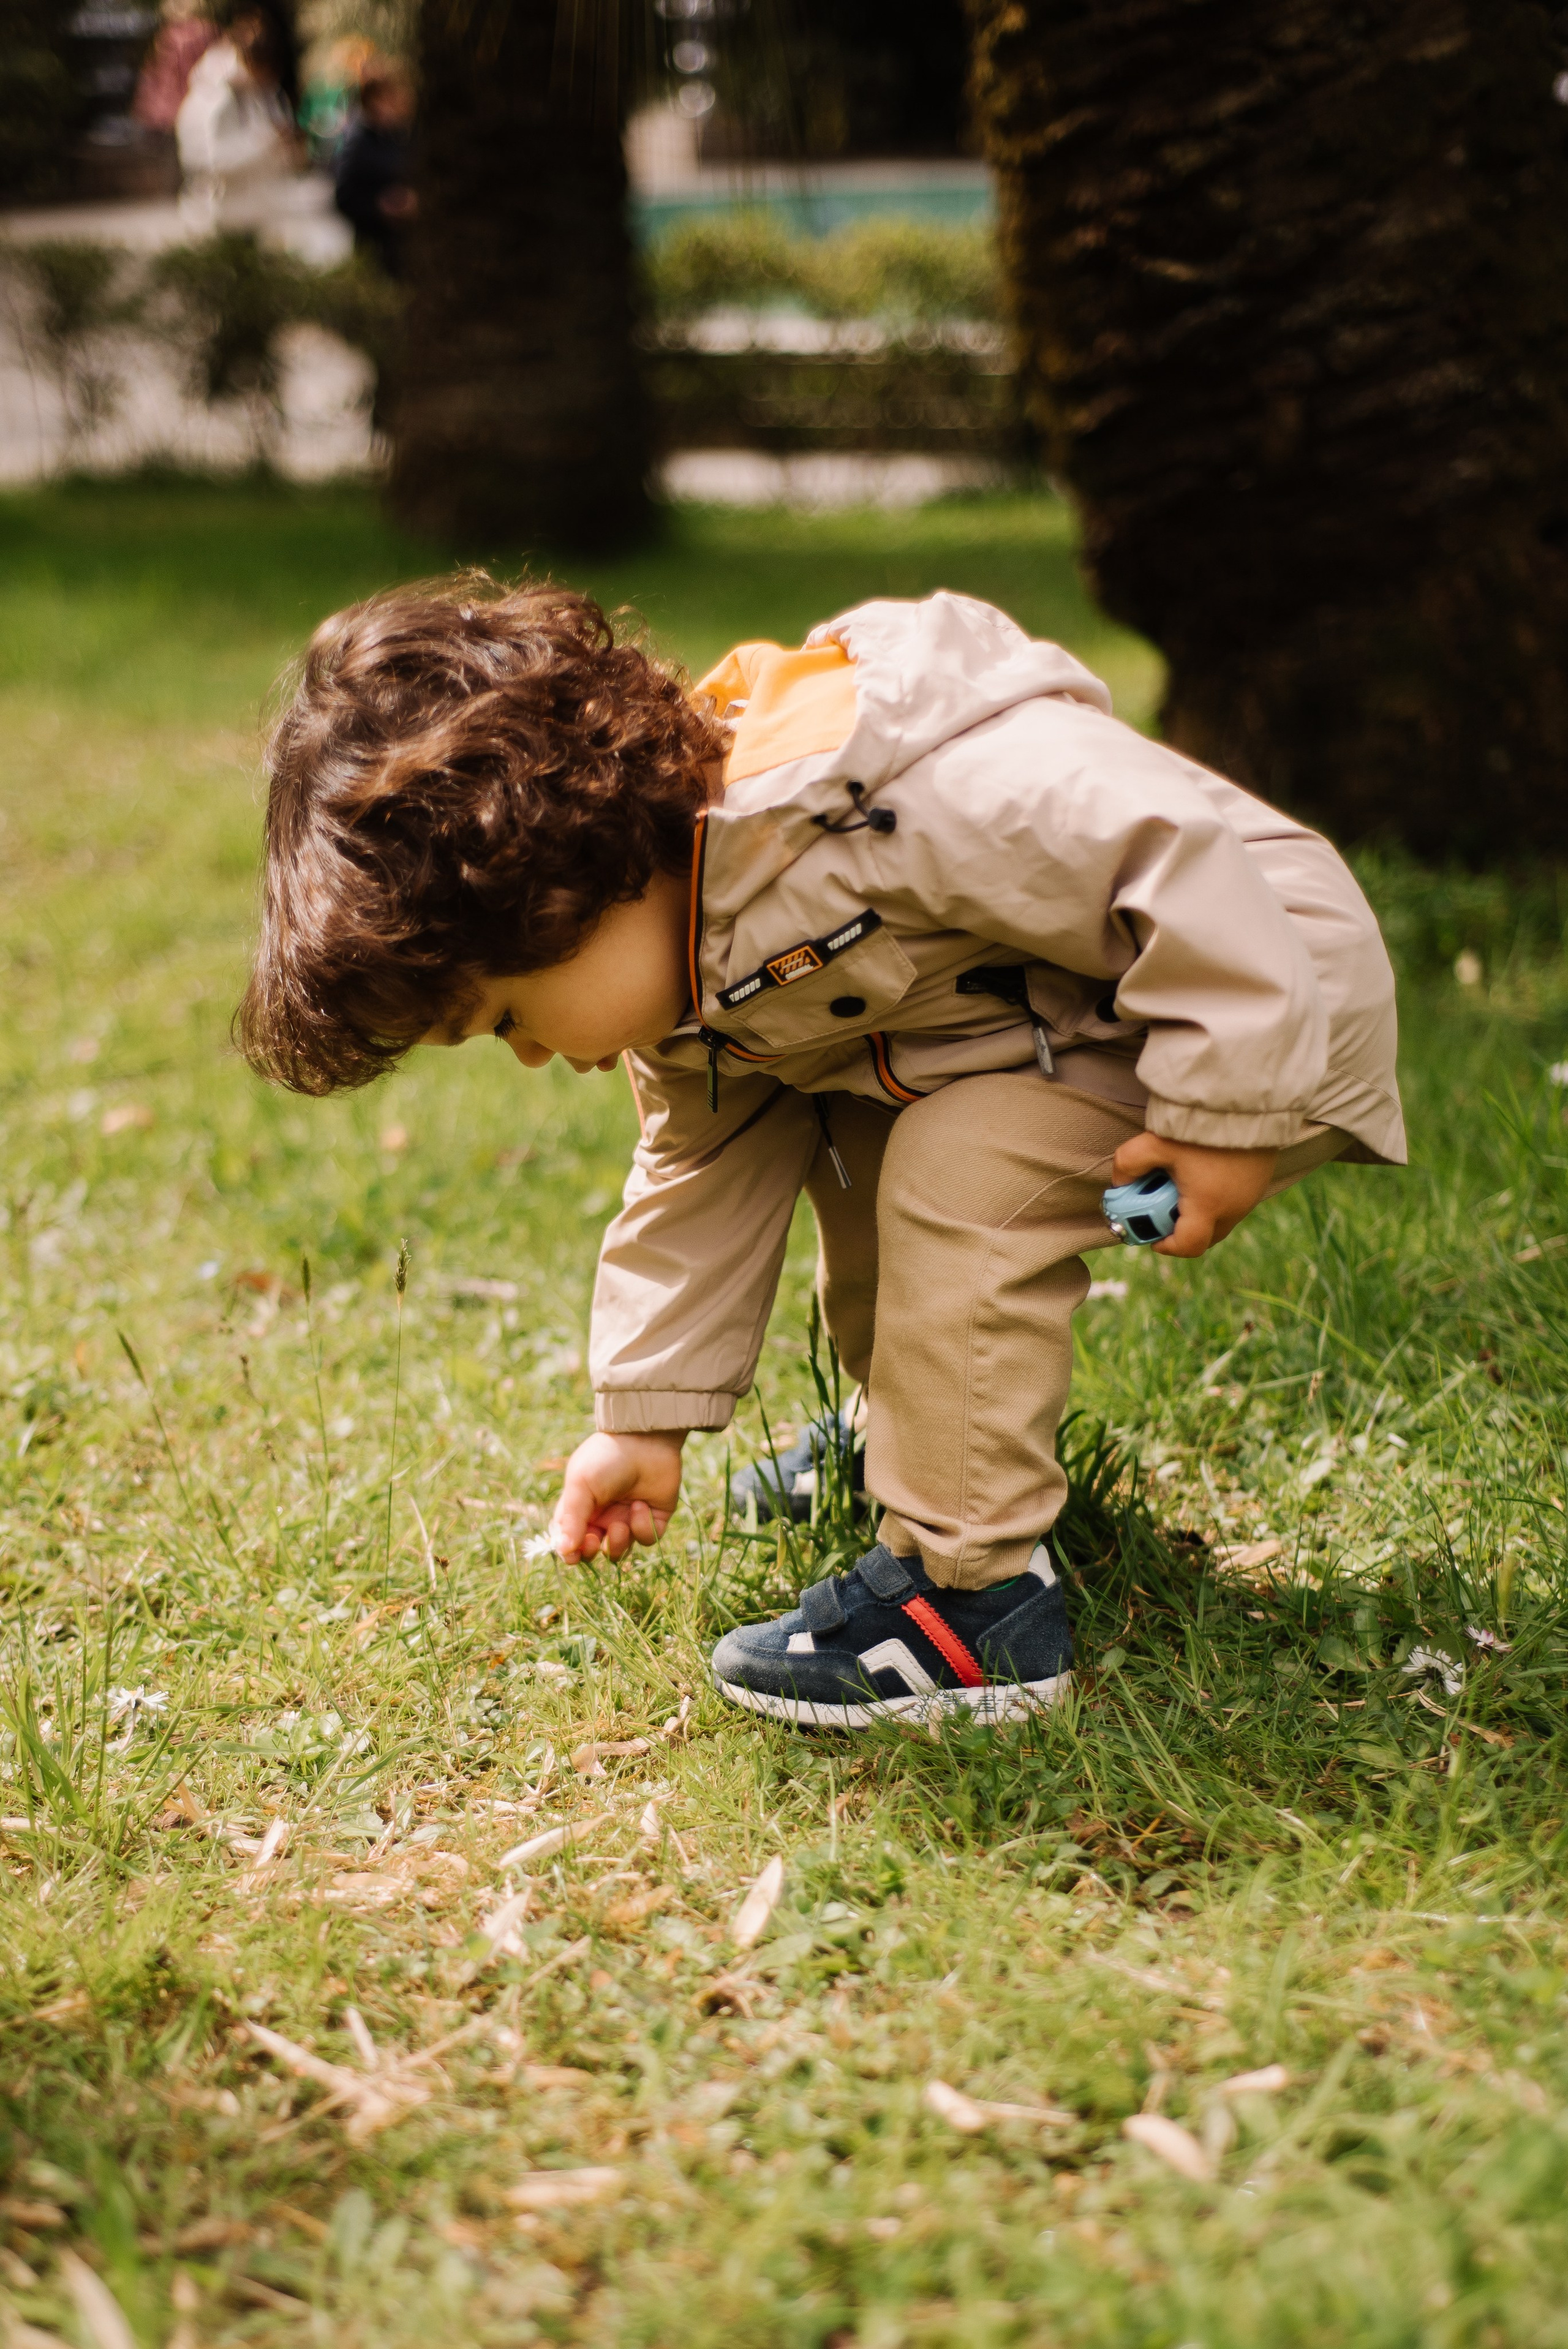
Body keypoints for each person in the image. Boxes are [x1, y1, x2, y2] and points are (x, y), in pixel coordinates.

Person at [237, 581, 1405, 1730]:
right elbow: (698, 1177)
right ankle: (921, 1434)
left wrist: (1225, 1109)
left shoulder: (878, 796)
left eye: (505, 1018)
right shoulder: (685, 964)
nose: (532, 1058)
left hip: (1256, 988)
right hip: (1081, 1025)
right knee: (856, 1130)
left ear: (564, 886)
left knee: (963, 1164)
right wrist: (641, 1421)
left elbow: (1175, 854)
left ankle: (970, 1603)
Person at [175, 6, 300, 231]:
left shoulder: (262, 93)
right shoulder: (215, 95)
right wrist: (267, 140)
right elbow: (209, 162)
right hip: (222, 216)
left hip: (257, 211)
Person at [332, 67, 417, 277]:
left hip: (406, 246)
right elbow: (343, 197)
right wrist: (380, 205)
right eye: (392, 95)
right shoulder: (359, 142)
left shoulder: (399, 136)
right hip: (375, 249)